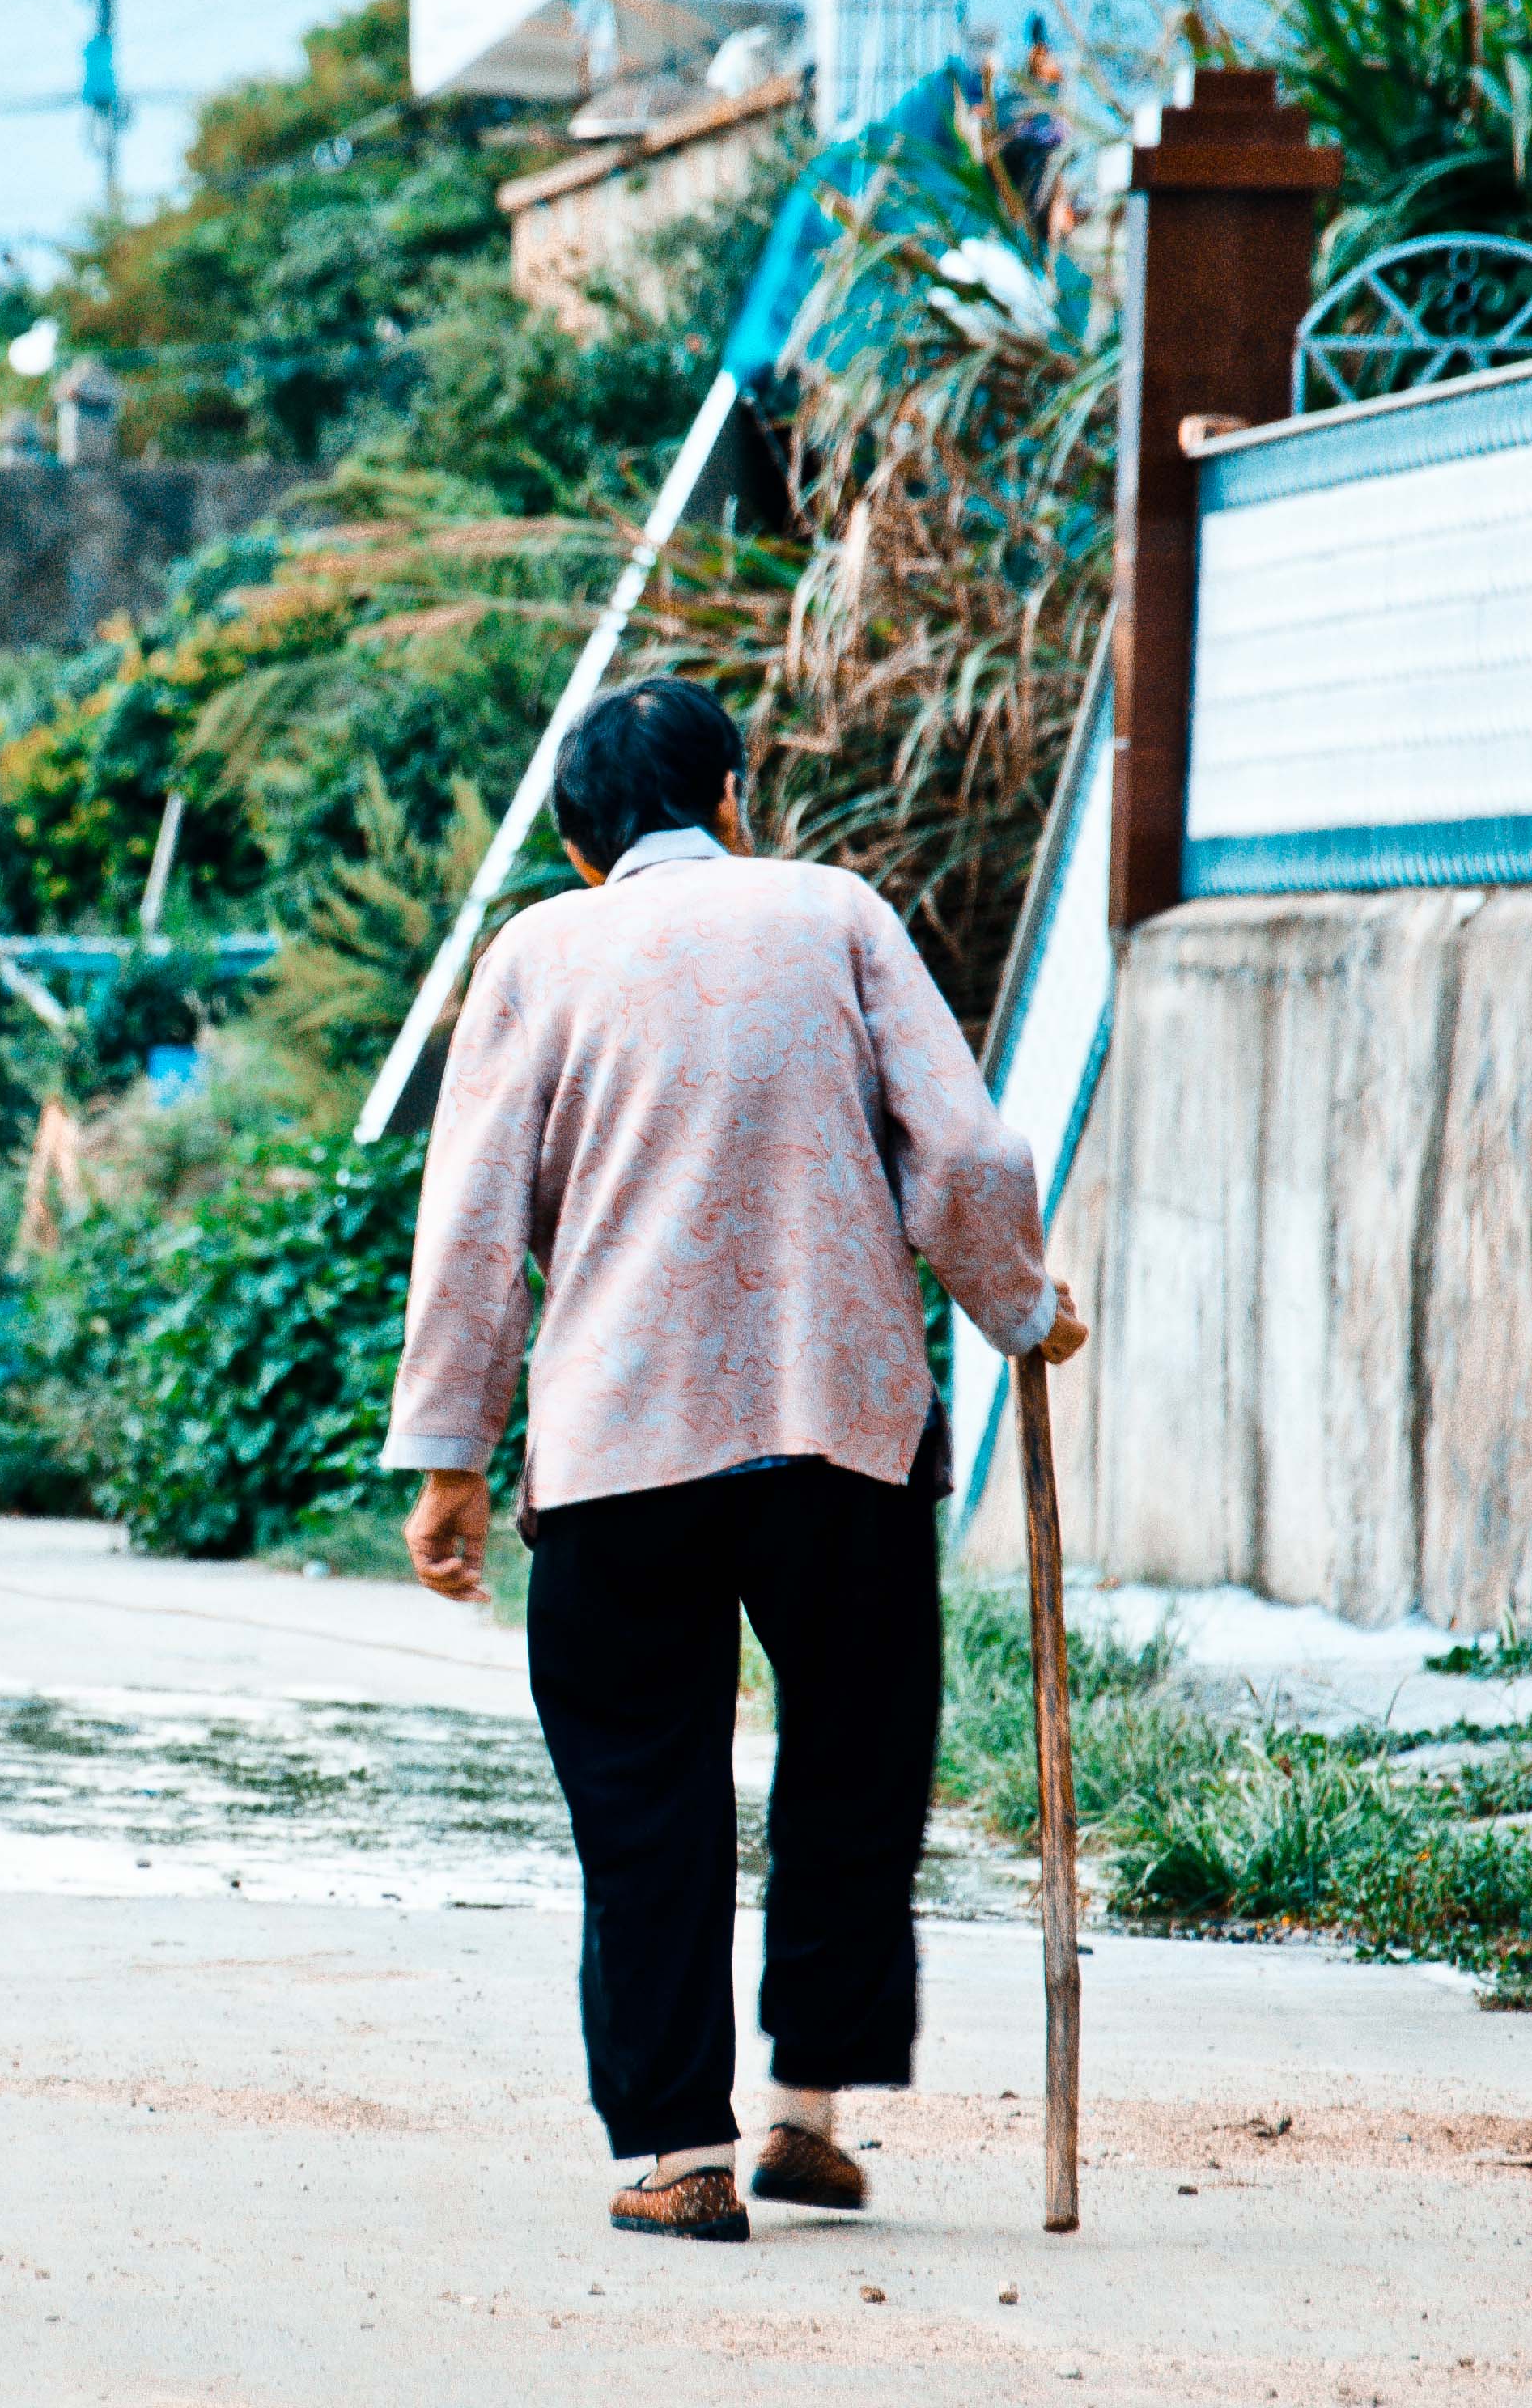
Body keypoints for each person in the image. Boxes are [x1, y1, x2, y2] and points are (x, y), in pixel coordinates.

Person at [382, 676, 1084, 2244]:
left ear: (578, 843)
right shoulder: (832, 913)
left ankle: (677, 2153)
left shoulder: (535, 957)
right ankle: (806, 2118)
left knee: (645, 1793)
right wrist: (1022, 1307)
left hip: (620, 1447)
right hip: (838, 1428)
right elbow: (960, 1157)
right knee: (852, 1755)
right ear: (734, 798)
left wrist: (447, 1456)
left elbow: (473, 1230)